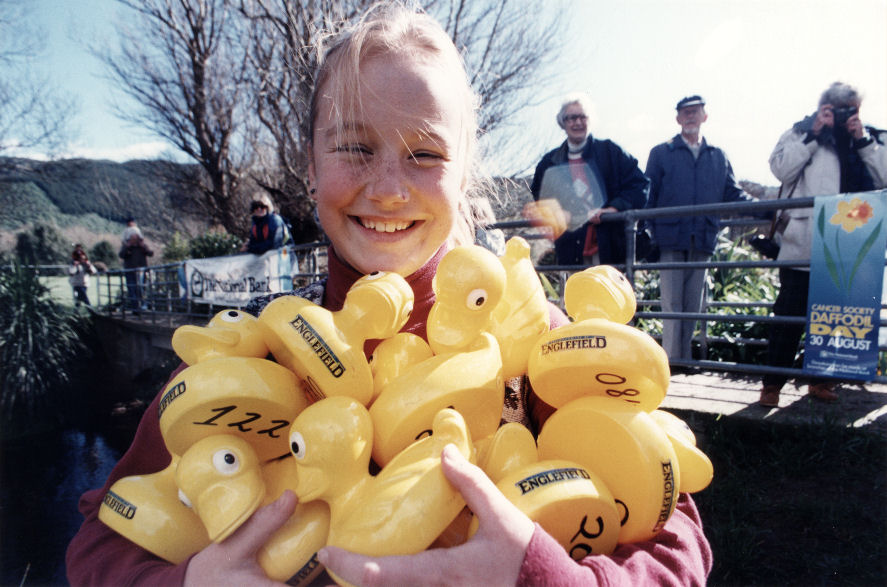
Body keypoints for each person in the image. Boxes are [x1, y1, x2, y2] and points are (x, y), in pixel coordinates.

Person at [66, 5, 711, 585]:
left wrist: (542, 575)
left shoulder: (541, 342)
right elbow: (100, 536)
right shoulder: (249, 360)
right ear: (311, 166)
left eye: (425, 154)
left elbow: (677, 546)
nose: (389, 188)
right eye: (355, 147)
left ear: (463, 171)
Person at [760, 81, 887, 407]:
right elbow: (780, 170)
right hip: (803, 240)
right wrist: (813, 134)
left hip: (853, 242)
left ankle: (822, 381)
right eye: (837, 108)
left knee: (838, 316)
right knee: (789, 315)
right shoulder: (800, 131)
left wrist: (862, 141)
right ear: (823, 108)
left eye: (851, 109)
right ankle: (771, 385)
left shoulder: (871, 137)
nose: (845, 115)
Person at [645, 95, 754, 363]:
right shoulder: (662, 153)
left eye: (696, 112)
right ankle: (671, 363)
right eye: (685, 113)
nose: (691, 117)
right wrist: (647, 234)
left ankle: (684, 360)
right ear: (678, 119)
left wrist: (769, 209)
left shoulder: (717, 155)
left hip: (703, 237)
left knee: (693, 304)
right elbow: (648, 195)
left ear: (705, 116)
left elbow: (732, 193)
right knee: (672, 304)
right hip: (670, 238)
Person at [526, 92, 649, 266]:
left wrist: (614, 208)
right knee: (576, 291)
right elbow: (540, 194)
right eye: (571, 118)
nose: (577, 122)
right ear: (563, 123)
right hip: (571, 244)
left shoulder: (610, 152)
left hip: (609, 244)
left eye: (582, 116)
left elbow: (640, 185)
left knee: (606, 291)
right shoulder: (549, 163)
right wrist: (558, 212)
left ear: (590, 120)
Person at [119, 231, 154, 313]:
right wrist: (127, 247)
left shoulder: (142, 247)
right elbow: (121, 255)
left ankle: (142, 306)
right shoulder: (126, 247)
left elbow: (151, 253)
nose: (134, 241)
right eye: (132, 239)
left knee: (141, 289)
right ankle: (135, 308)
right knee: (132, 290)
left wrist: (144, 247)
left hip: (141, 271)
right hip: (130, 272)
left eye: (135, 239)